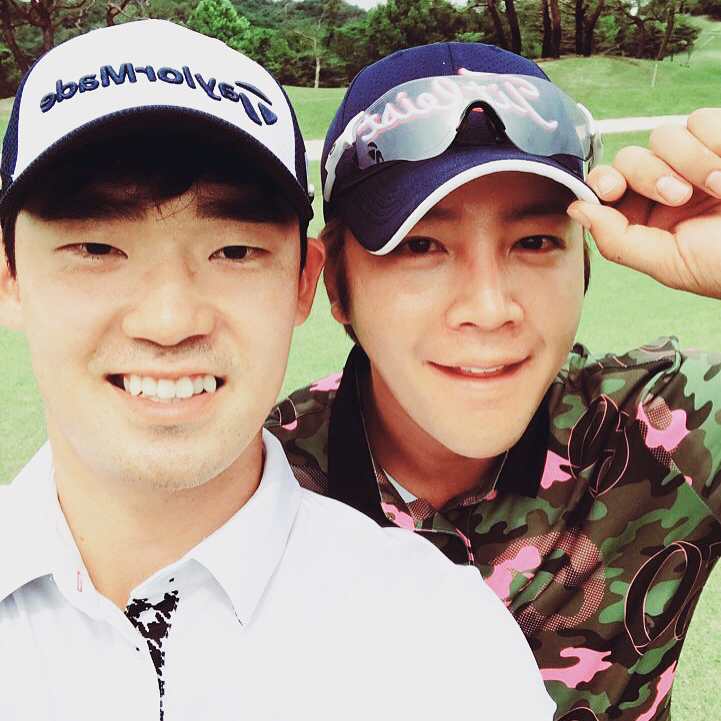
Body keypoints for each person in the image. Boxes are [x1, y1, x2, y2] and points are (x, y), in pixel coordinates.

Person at [0, 22, 555, 720]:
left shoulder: (441, 639)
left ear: (303, 282)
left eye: (234, 251)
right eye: (96, 247)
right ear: (9, 276)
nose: (170, 319)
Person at [267, 42, 721, 721]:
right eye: (420, 245)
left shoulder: (666, 427)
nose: (488, 307)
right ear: (335, 282)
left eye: (534, 241)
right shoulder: (250, 488)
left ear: (584, 260)